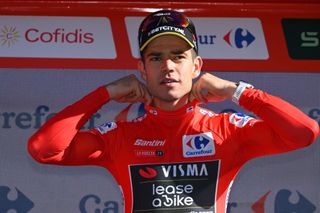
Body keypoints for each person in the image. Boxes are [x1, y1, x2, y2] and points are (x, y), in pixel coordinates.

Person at [28, 9, 319, 213]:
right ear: (142, 69)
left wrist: (236, 90)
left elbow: (304, 133)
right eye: (156, 57)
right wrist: (104, 93)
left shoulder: (226, 130)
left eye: (178, 56)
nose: (167, 66)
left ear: (196, 66)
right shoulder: (121, 136)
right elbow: (44, 148)